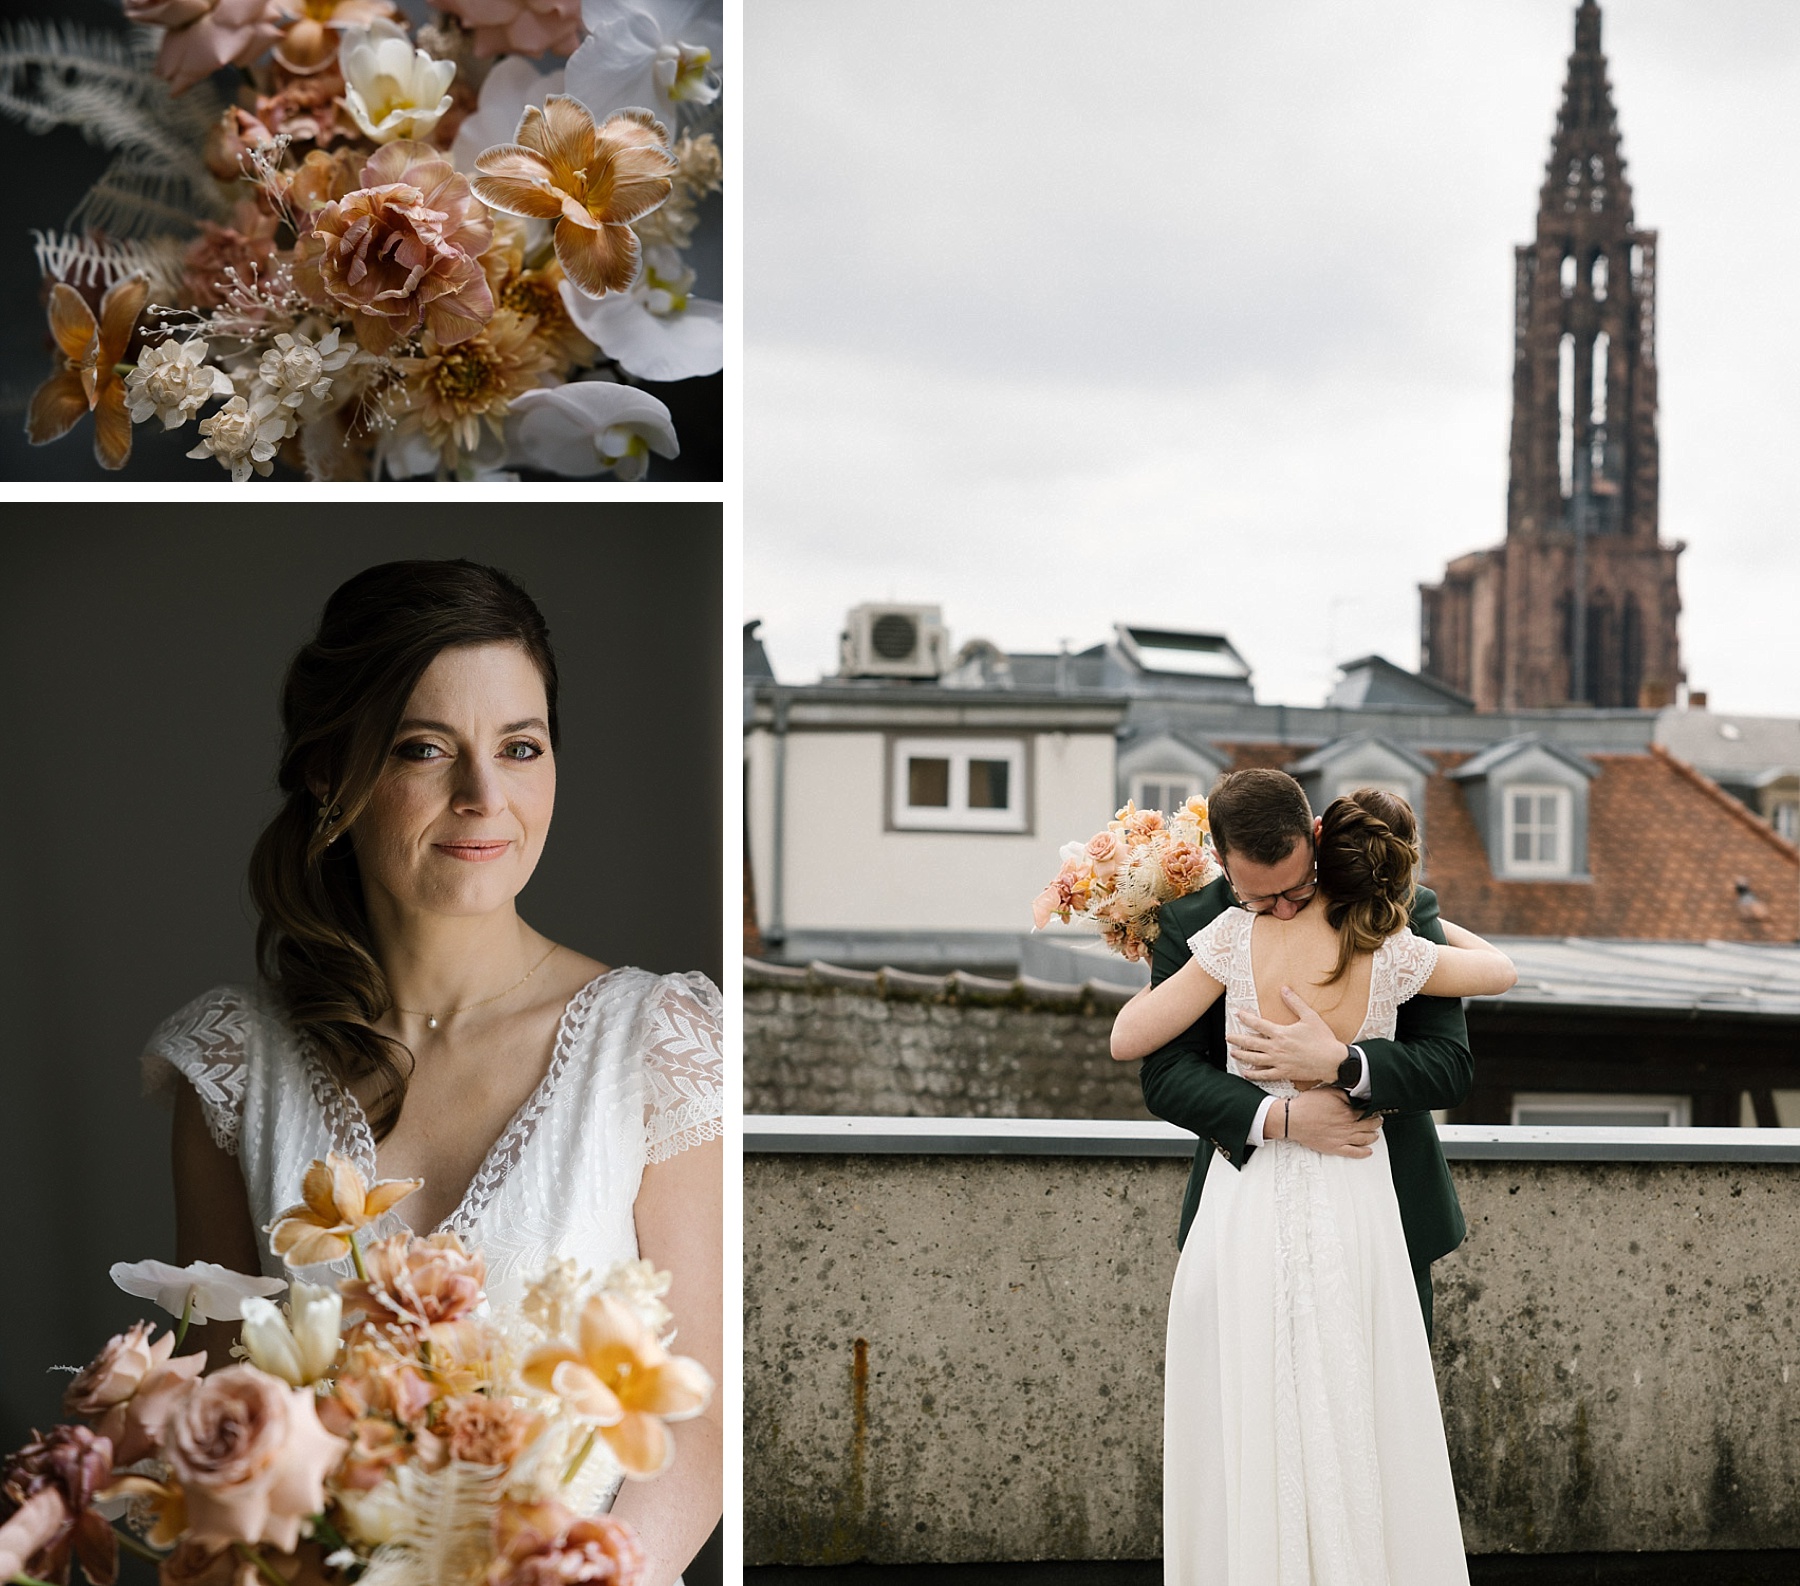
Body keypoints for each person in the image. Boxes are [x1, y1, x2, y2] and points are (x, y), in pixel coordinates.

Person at [140, 560, 722, 1586]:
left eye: (521, 746)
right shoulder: (232, 1063)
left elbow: (704, 1412)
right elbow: (227, 1424)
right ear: (331, 771)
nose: (483, 797)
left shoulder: (657, 1039)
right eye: (423, 748)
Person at [1111, 774, 1516, 1585]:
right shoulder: (1199, 924)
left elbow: (1449, 1065)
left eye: (1297, 887)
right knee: (1247, 1415)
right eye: (1259, 897)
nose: (1285, 910)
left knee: (1373, 1418)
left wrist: (1346, 1065)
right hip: (1249, 1191)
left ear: (1322, 835)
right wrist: (1284, 1118)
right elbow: (1163, 1075)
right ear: (1219, 864)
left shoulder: (1396, 910)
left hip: (1381, 1206)